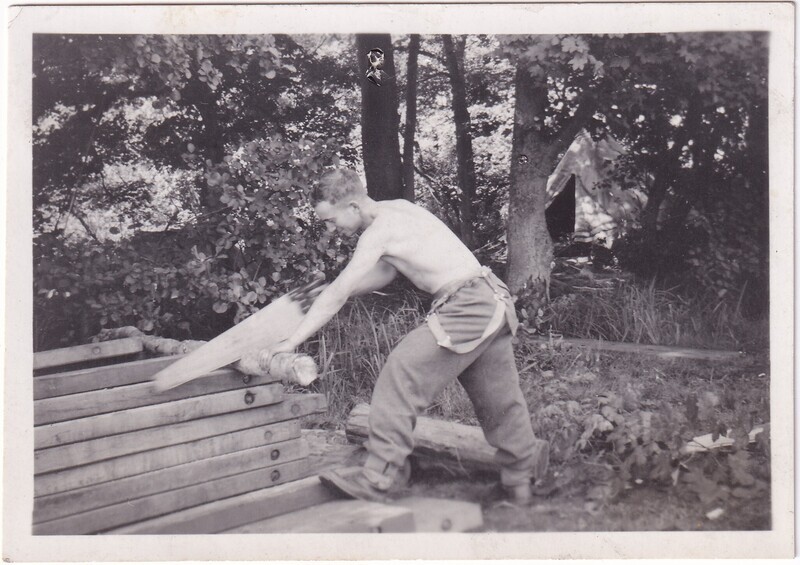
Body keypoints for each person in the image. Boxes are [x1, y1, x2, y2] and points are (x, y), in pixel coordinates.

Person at [261, 168, 545, 504]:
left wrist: (292, 340)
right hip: (489, 297)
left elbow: (338, 295)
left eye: (331, 220)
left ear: (353, 207)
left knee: (402, 371)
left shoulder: (377, 233)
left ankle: (380, 477)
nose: (330, 228)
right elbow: (386, 271)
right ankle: (520, 484)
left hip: (467, 305)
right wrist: (338, 288)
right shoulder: (398, 209)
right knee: (498, 397)